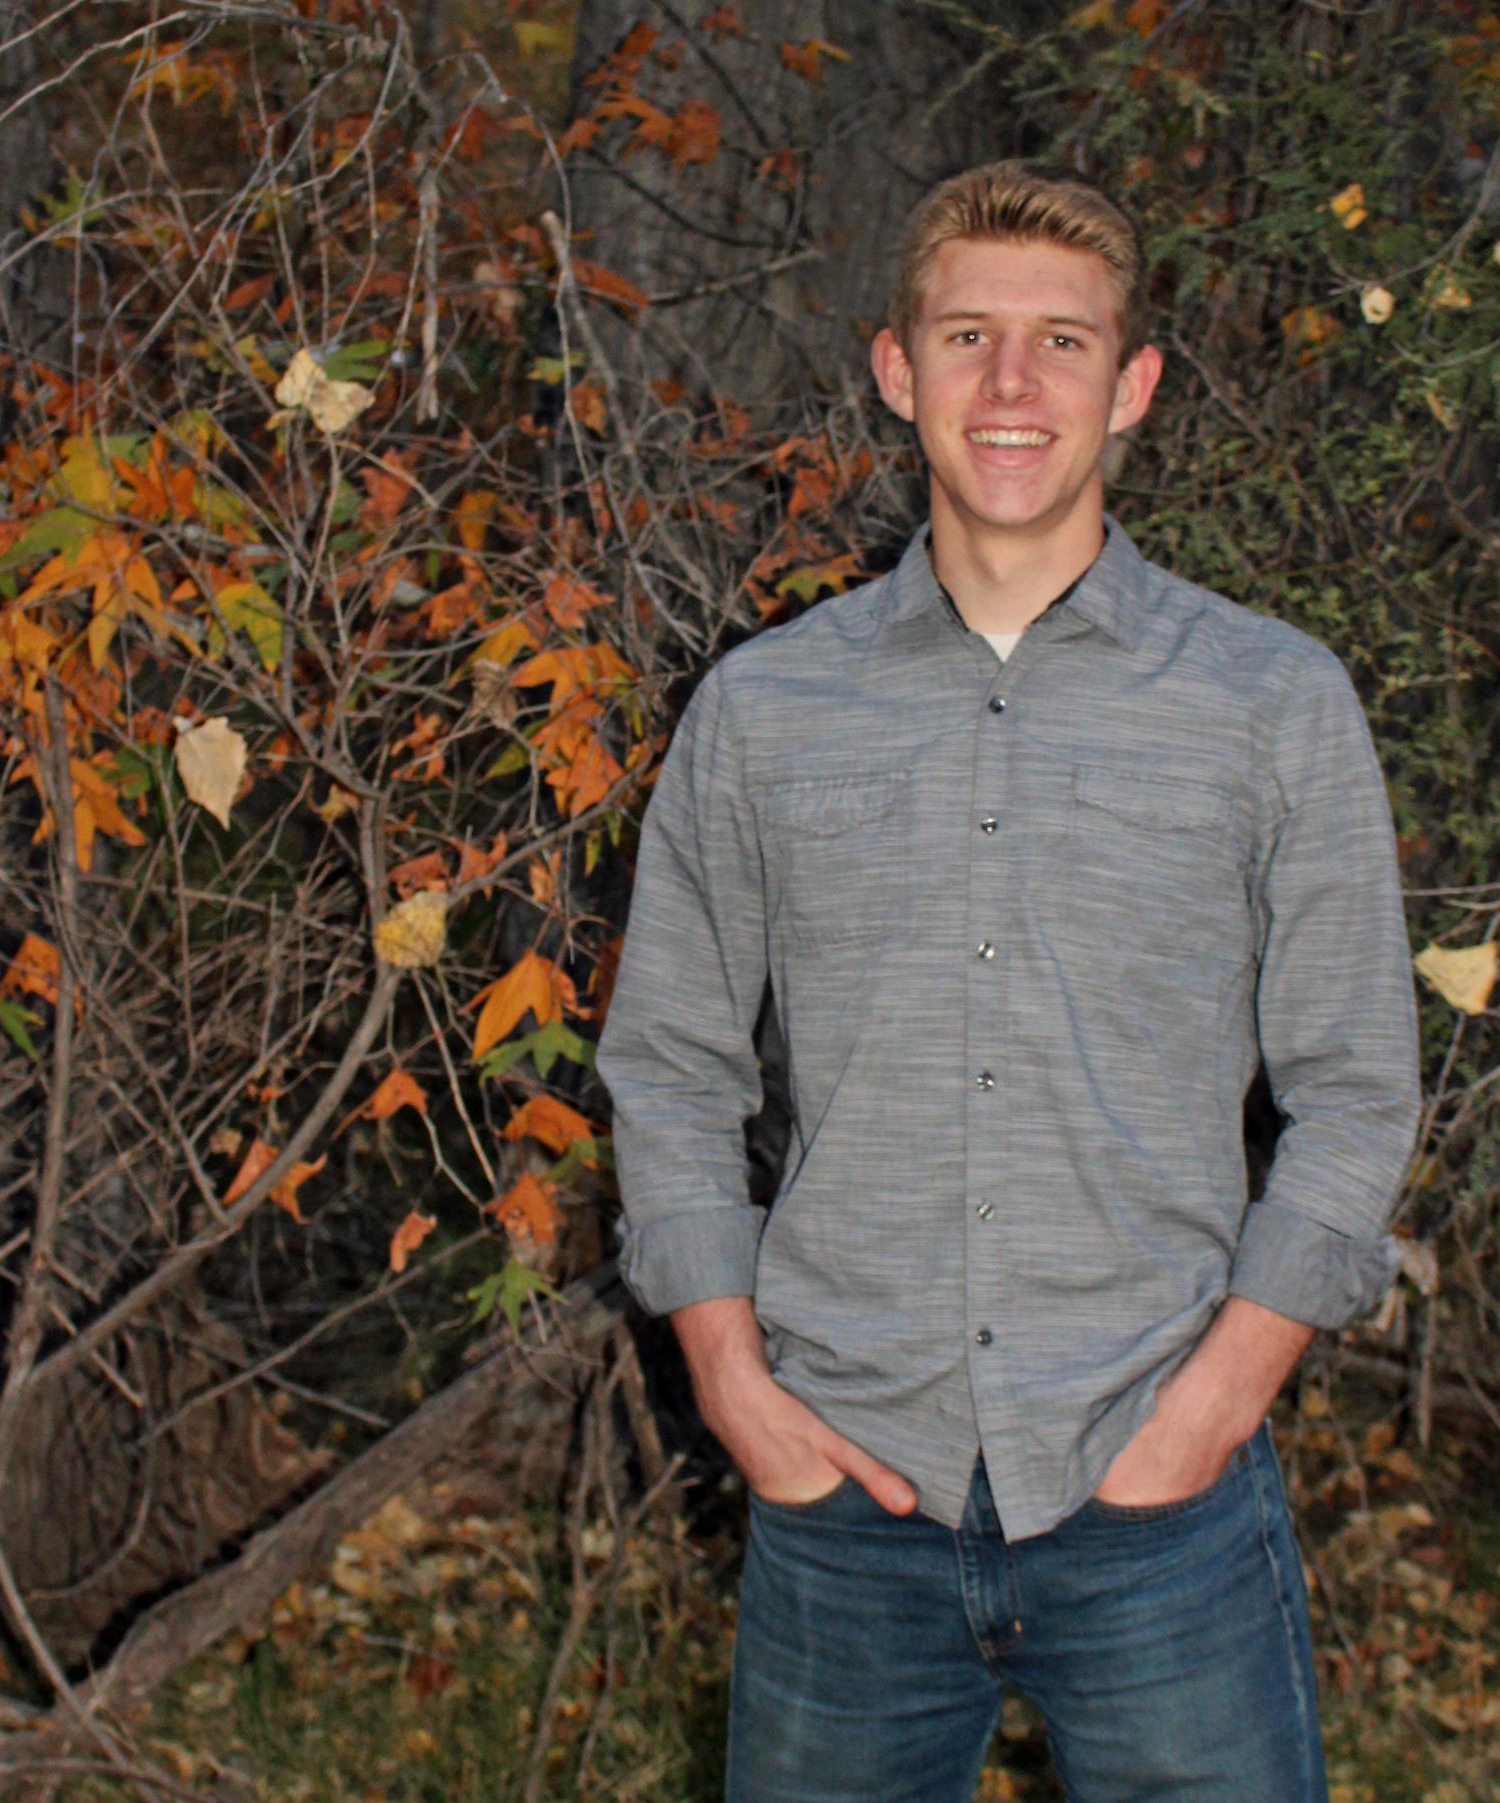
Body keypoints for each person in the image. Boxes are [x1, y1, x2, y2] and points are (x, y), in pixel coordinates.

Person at [594, 159, 1421, 1802]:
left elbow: (1353, 1087)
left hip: (1159, 1491)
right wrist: (732, 1385)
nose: (1012, 385)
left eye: (1062, 342)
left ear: (1134, 386)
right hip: (844, 1491)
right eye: (968, 335)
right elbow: (672, 1068)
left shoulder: (1268, 703)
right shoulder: (763, 712)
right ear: (897, 371)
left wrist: (1213, 1406)